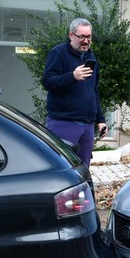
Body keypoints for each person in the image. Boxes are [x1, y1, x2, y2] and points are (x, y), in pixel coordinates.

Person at [42, 17, 107, 167]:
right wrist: (72, 76)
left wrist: (100, 119)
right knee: (62, 166)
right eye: (81, 36)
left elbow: (93, 90)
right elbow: (48, 82)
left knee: (83, 169)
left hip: (87, 126)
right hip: (64, 123)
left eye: (88, 36)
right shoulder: (58, 53)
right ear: (71, 35)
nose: (85, 41)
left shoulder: (91, 56)